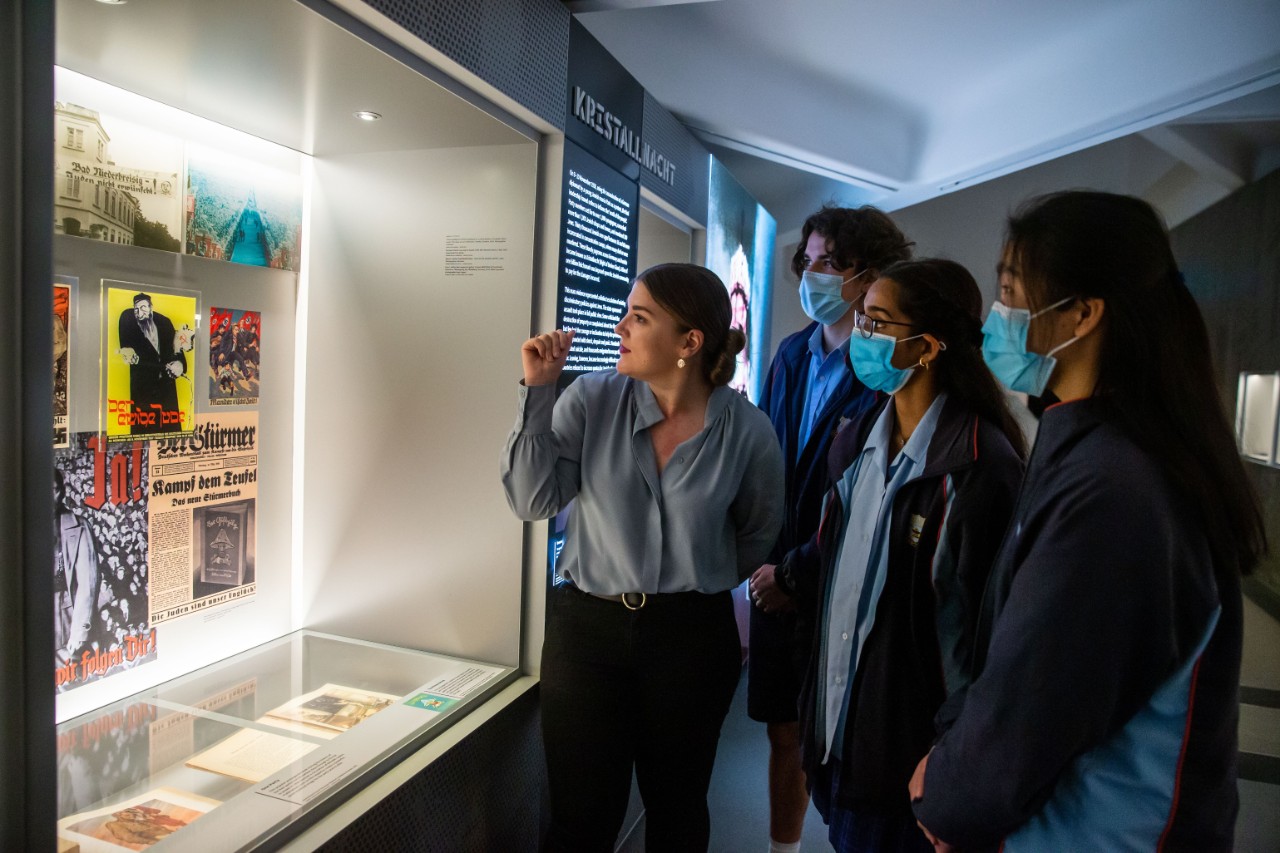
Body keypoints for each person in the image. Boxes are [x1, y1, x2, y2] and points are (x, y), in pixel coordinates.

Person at [910, 191, 1267, 850]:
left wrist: (950, 796)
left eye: (1013, 292)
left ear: (1081, 313)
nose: (1000, 315)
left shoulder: (1116, 486)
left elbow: (1038, 698)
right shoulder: (1092, 442)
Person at [501, 263, 785, 852]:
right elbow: (531, 500)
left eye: (639, 316)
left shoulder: (748, 431)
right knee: (580, 820)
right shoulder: (592, 398)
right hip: (588, 631)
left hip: (691, 637)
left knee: (678, 813)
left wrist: (692, 575)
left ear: (689, 342)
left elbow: (757, 536)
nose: (620, 325)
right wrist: (538, 391)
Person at [774, 259, 1025, 852]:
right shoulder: (855, 440)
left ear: (927, 348)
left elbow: (988, 639)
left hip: (913, 758)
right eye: (862, 318)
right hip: (839, 740)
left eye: (877, 323)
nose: (859, 334)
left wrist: (954, 759)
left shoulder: (981, 468)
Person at [747, 205, 914, 853]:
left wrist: (799, 571)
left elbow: (870, 495)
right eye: (807, 260)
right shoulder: (791, 354)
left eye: (828, 263)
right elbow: (766, 460)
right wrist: (767, 563)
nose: (810, 273)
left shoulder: (884, 371)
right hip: (773, 573)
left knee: (846, 735)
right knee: (781, 729)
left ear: (865, 275)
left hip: (838, 578)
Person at [117, 292, 191, 434]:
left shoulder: (165, 322)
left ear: (151, 308)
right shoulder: (128, 319)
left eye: (143, 308)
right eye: (136, 309)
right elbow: (126, 346)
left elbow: (178, 351)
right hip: (143, 393)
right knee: (143, 438)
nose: (140, 313)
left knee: (171, 437)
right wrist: (127, 351)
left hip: (167, 392)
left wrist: (180, 365)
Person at [54, 467, 100, 669]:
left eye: (54, 490)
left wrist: (79, 633)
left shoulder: (79, 527)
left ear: (62, 492)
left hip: (64, 618)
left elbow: (87, 585)